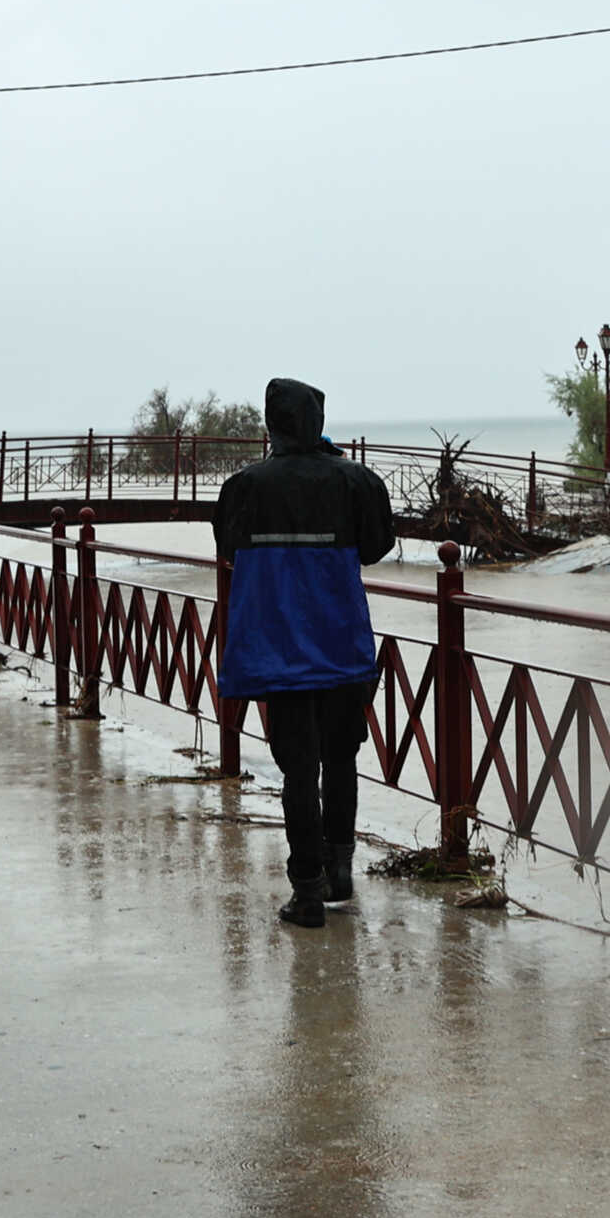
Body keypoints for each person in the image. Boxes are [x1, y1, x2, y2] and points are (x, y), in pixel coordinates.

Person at [213, 378, 395, 929]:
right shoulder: (356, 481)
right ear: (317, 422)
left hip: (280, 650)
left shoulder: (244, 487)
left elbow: (227, 544)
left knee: (298, 769)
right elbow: (379, 546)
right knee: (341, 758)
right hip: (341, 645)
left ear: (270, 426)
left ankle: (307, 891)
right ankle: (341, 872)